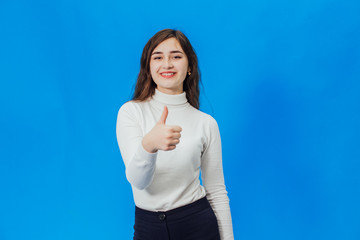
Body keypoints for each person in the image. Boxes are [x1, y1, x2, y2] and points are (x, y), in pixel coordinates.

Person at [116, 29, 234, 240]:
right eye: (158, 57)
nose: (167, 64)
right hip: (148, 228)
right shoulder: (131, 112)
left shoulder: (206, 123)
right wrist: (149, 145)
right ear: (148, 67)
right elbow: (139, 181)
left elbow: (216, 191)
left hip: (197, 225)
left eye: (176, 56)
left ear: (189, 67)